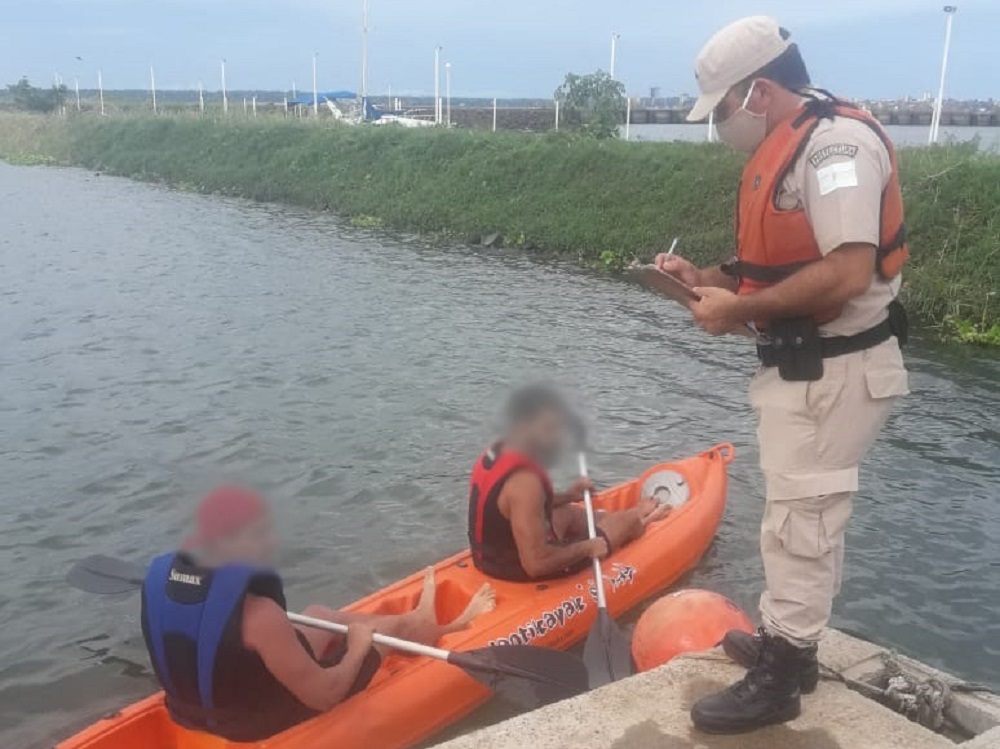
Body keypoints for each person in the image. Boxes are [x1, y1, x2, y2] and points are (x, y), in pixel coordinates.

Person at [657, 16, 910, 734]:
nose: (722, 127)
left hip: (836, 370)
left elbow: (844, 272)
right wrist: (702, 281)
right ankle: (788, 647)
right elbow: (778, 266)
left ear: (760, 91)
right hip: (804, 368)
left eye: (725, 109)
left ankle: (783, 675)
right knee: (795, 513)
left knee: (804, 518)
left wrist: (740, 308)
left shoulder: (837, 148)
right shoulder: (790, 145)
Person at [141, 486, 495, 742]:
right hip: (254, 724)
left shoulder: (164, 583)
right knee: (381, 631)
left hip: (192, 712)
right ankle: (446, 627)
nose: (270, 544)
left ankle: (421, 623)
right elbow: (325, 695)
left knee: (320, 613)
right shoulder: (260, 616)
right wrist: (358, 645)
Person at [468, 384, 669, 581]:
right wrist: (587, 547)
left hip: (492, 558)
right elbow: (536, 565)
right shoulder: (525, 482)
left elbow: (517, 507)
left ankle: (623, 520)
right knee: (627, 522)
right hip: (515, 571)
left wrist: (570, 496)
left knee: (567, 512)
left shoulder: (499, 450)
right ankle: (640, 520)